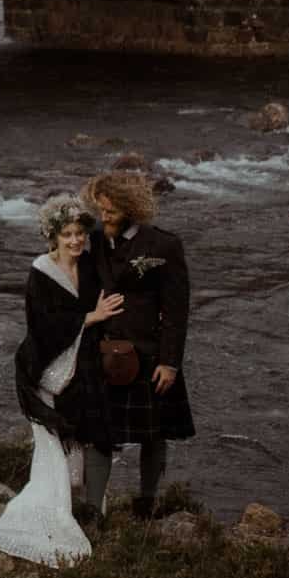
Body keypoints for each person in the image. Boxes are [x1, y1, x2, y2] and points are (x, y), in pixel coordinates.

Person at [0, 194, 121, 566]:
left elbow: (115, 282)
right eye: (68, 235)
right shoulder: (40, 273)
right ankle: (54, 515)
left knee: (95, 434)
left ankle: (92, 513)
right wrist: (88, 319)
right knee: (56, 451)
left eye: (80, 233)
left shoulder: (90, 265)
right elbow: (41, 326)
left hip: (84, 367)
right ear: (53, 236)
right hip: (45, 371)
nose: (75, 241)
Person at [80, 170, 195, 520]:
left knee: (153, 434)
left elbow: (176, 311)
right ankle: (93, 511)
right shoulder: (95, 238)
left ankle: (147, 503)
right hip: (102, 352)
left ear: (130, 207)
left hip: (147, 356)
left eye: (110, 211)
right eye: (101, 209)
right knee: (97, 433)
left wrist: (170, 363)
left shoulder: (163, 246)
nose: (104, 217)